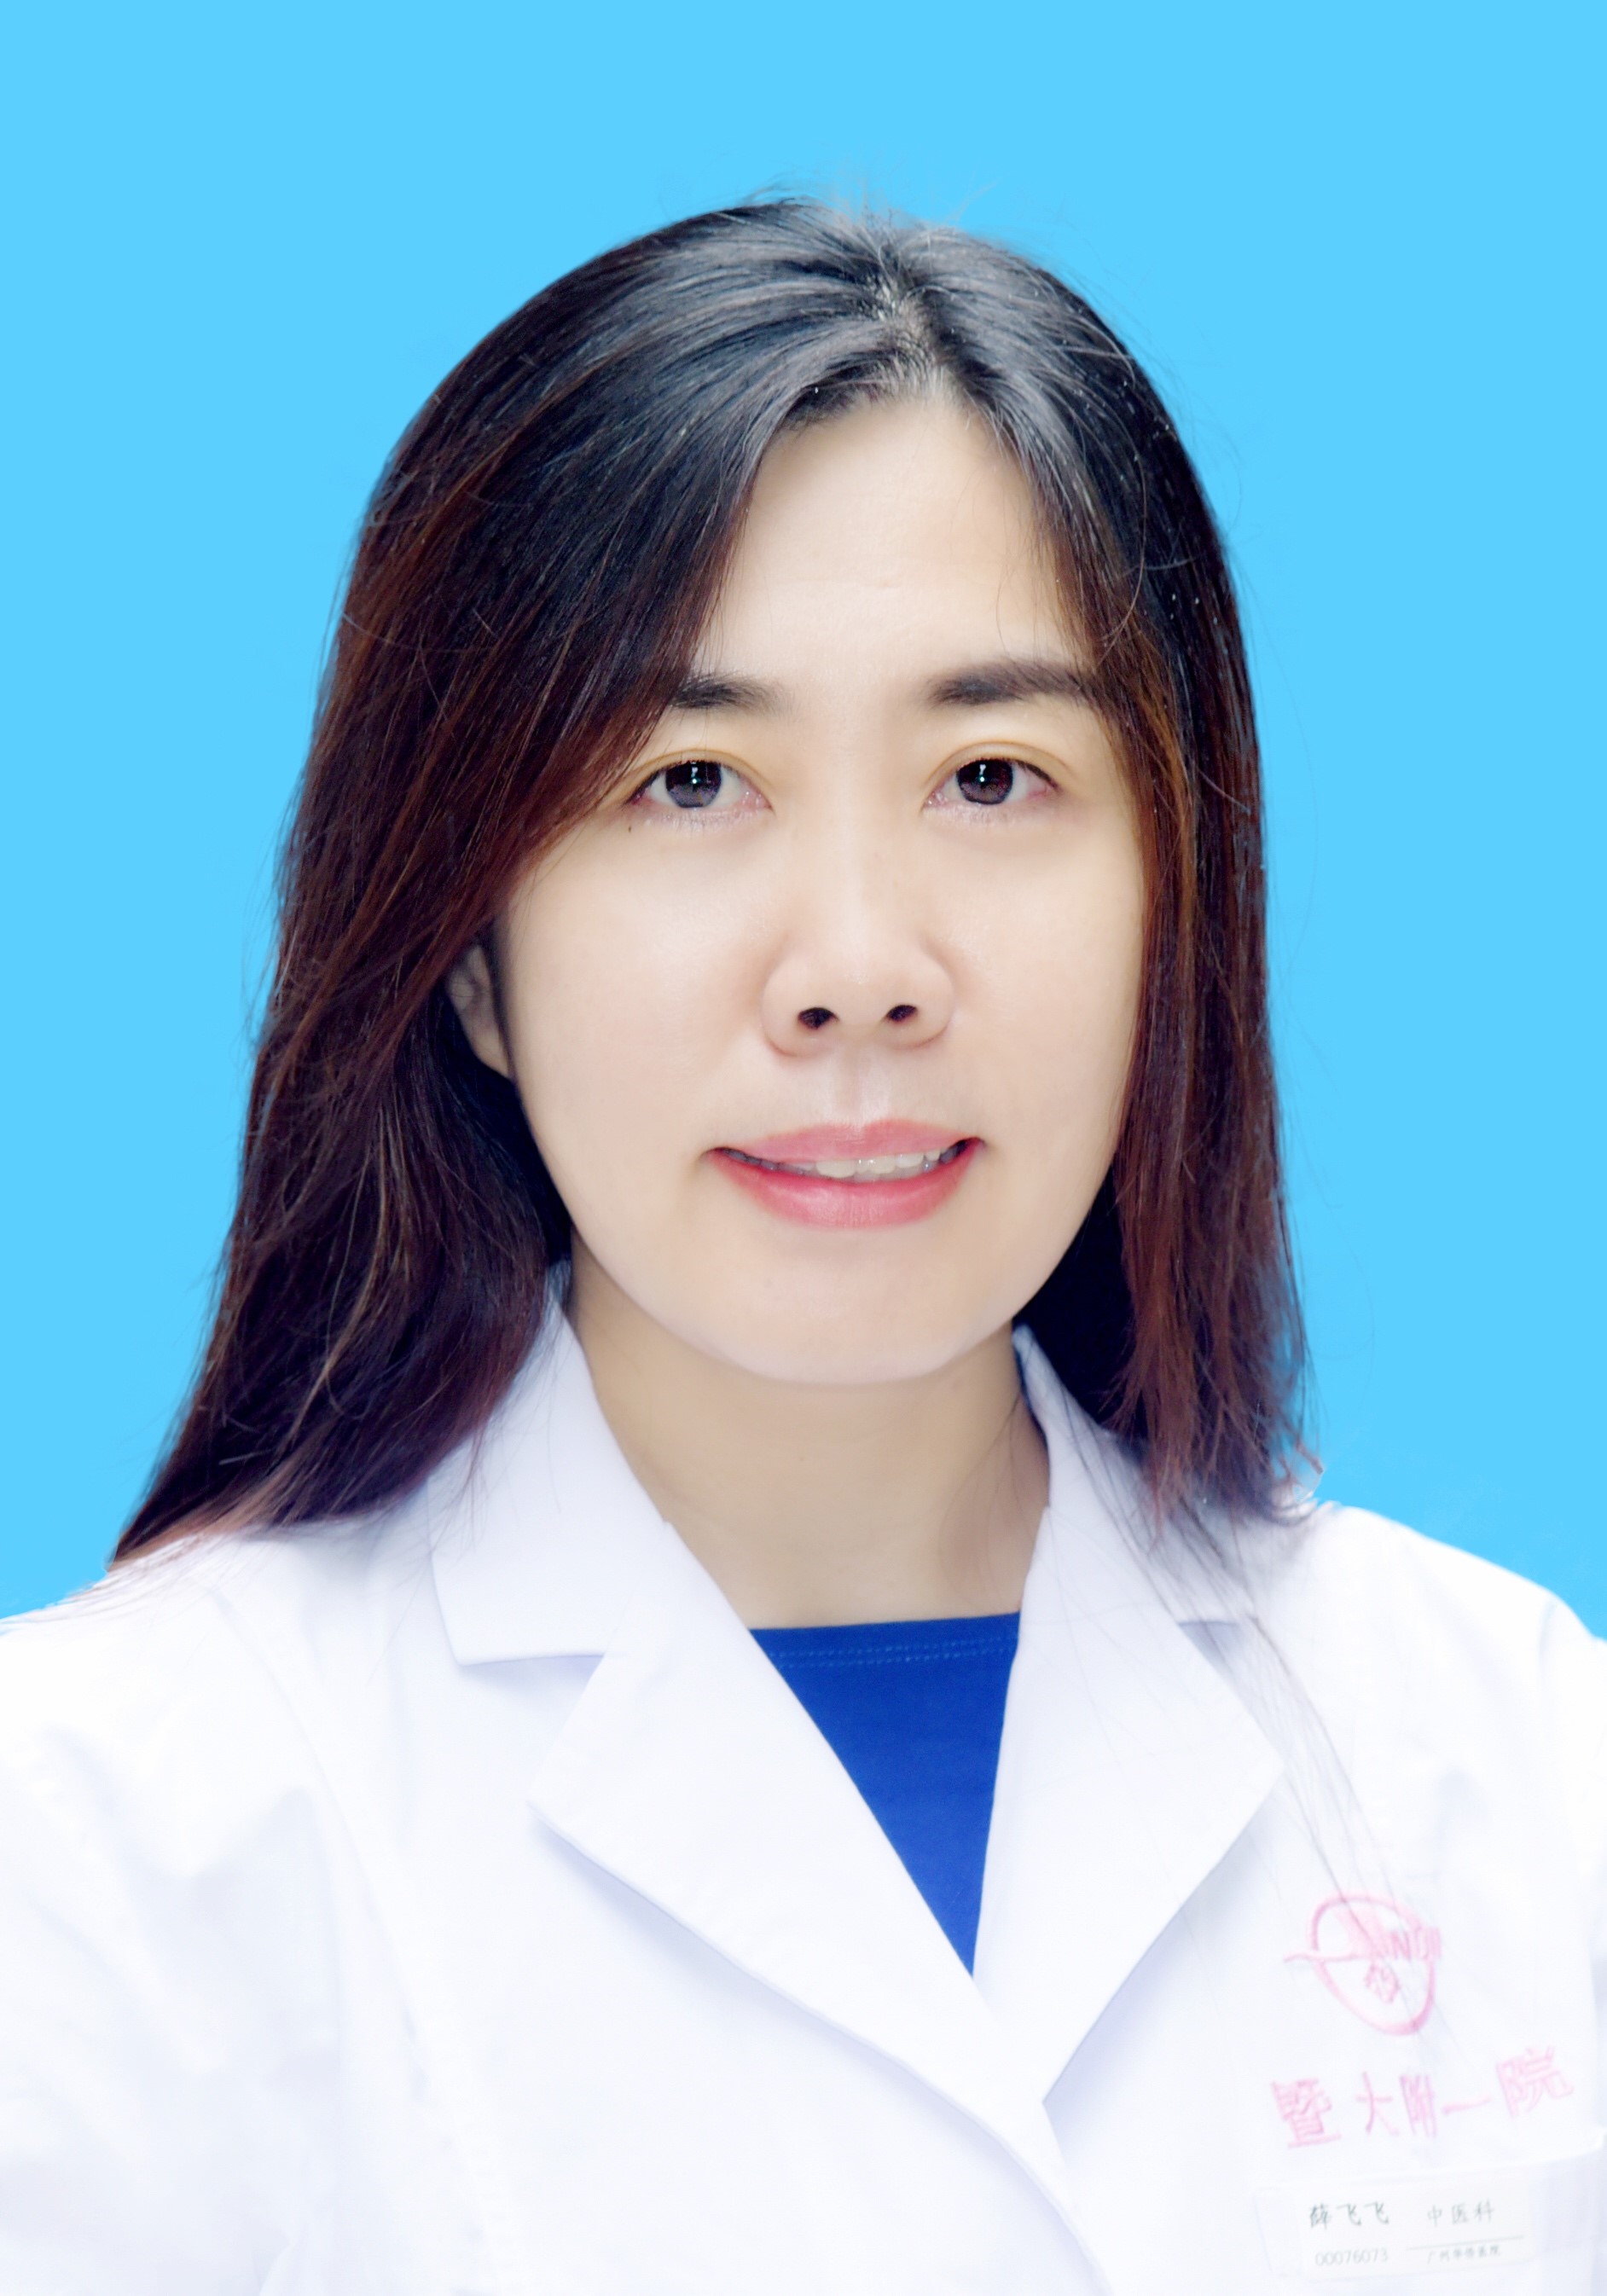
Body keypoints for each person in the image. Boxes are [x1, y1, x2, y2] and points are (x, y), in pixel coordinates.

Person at [1, 202, 1601, 2295]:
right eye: (689, 781)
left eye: (993, 775)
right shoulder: (104, 1839)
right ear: (468, 950)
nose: (857, 965)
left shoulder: (1504, 1757)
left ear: (1177, 907)